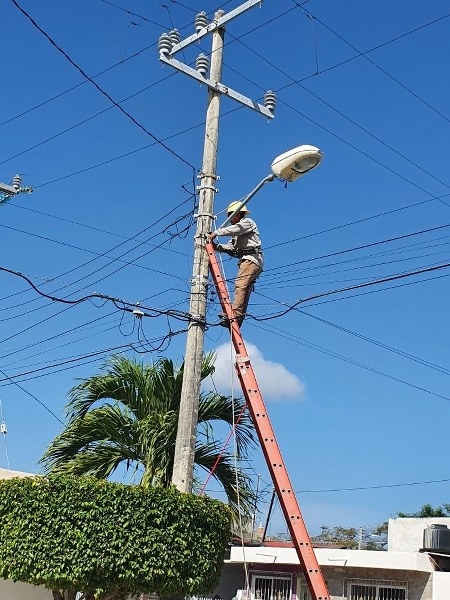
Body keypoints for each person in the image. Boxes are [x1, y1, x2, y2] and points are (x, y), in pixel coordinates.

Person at [207, 201, 263, 326]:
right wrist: (217, 247)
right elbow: (232, 248)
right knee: (245, 290)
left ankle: (234, 315)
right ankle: (237, 321)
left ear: (237, 214)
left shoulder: (247, 223)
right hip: (251, 260)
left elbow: (235, 230)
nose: (230, 220)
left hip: (251, 259)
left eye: (231, 216)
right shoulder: (237, 233)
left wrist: (216, 233)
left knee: (240, 285)